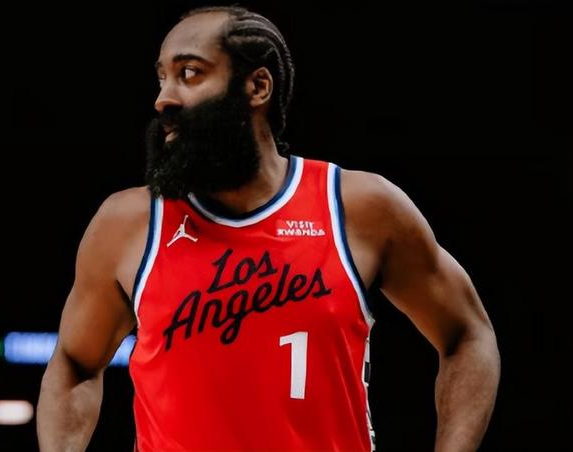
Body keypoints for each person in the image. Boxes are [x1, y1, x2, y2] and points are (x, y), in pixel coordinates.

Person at [37, 6, 500, 451]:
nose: (164, 98)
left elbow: (467, 335)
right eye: (162, 77)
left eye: (190, 73)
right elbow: (75, 364)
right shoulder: (128, 223)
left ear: (257, 86)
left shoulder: (357, 207)